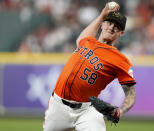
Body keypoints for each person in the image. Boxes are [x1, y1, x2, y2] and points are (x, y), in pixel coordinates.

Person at [43, 2, 136, 131]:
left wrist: (120, 111)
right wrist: (102, 15)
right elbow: (80, 39)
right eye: (109, 22)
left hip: (87, 111)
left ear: (121, 33)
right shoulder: (87, 41)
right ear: (103, 24)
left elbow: (131, 94)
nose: (111, 27)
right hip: (58, 107)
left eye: (117, 26)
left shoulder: (120, 60)